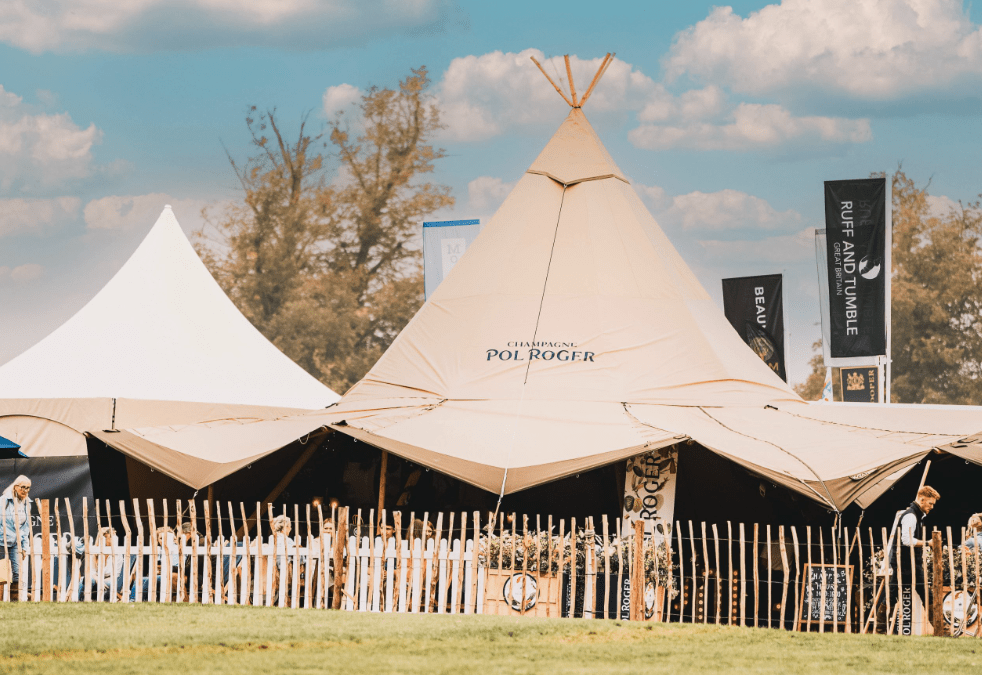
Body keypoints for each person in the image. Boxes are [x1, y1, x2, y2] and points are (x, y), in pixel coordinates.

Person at [0, 476, 33, 598]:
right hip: (1, 541)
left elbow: (25, 528)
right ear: (15, 487)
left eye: (28, 488)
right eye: (23, 487)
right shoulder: (4, 501)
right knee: (1, 572)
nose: (25, 490)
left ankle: (15, 601)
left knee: (17, 573)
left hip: (15, 542)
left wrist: (24, 547)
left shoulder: (27, 503)